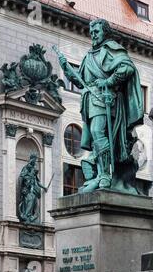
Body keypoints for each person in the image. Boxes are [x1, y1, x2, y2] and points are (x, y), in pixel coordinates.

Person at [58, 19, 144, 193]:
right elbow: (81, 81)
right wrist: (66, 69)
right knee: (96, 138)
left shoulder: (111, 49)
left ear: (105, 32)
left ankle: (105, 175)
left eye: (96, 31)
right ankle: (100, 173)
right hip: (90, 101)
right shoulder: (89, 55)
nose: (93, 35)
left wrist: (108, 81)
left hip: (106, 99)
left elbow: (127, 68)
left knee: (98, 133)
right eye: (91, 32)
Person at [17, 154, 47, 224]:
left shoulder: (33, 174)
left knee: (34, 202)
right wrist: (26, 182)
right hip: (27, 190)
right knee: (29, 200)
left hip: (33, 191)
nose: (35, 161)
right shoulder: (27, 168)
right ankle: (26, 215)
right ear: (32, 159)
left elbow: (38, 182)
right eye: (34, 159)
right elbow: (22, 177)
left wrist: (44, 187)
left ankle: (30, 216)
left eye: (36, 160)